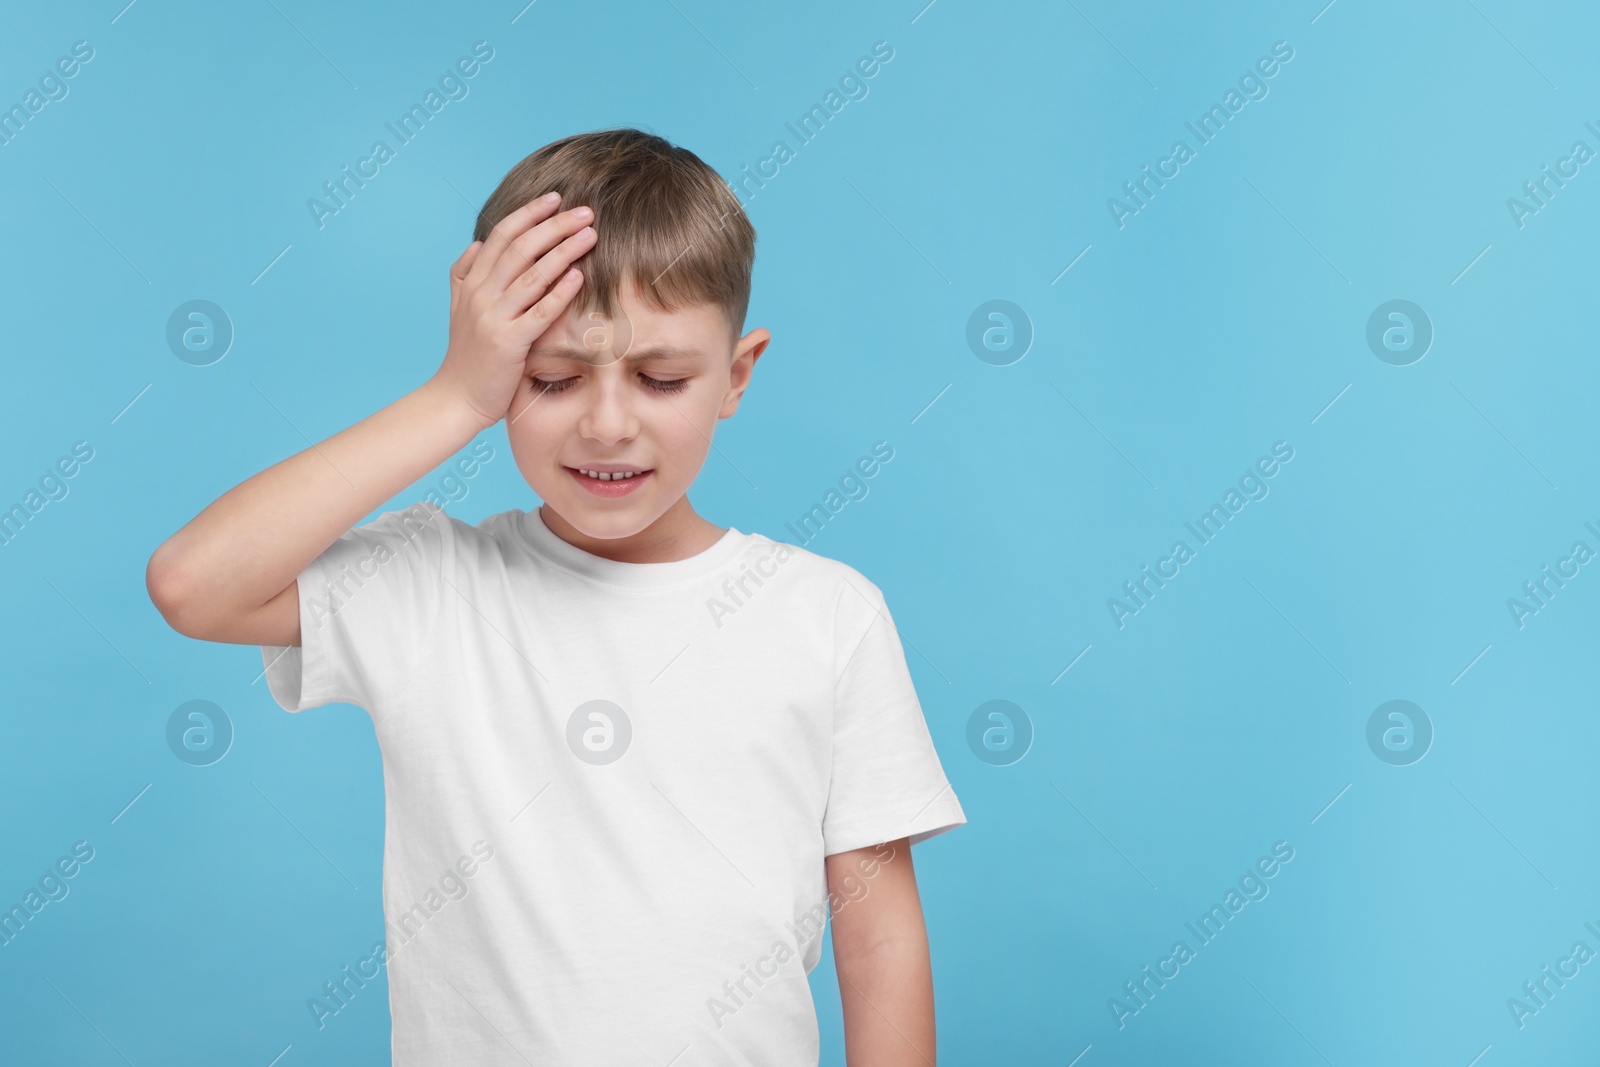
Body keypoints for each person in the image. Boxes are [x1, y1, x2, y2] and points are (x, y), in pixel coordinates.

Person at [146, 127, 966, 1066]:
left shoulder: (826, 615)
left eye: (661, 379)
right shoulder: (432, 585)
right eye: (551, 378)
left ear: (738, 374)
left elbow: (880, 933)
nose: (607, 424)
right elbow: (192, 583)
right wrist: (453, 397)